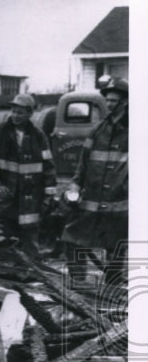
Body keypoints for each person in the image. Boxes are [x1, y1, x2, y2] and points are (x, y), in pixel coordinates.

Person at [59, 77, 128, 282]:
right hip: (92, 204)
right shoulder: (97, 131)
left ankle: (112, 290)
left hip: (119, 206)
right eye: (107, 101)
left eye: (114, 101)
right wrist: (74, 187)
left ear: (125, 102)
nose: (109, 105)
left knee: (115, 249)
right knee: (71, 238)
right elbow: (83, 165)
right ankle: (79, 285)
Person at [0, 93, 57, 255]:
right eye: (13, 111)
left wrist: (49, 195)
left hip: (29, 196)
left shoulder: (39, 136)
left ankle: (30, 262)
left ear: (30, 114)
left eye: (20, 113)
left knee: (30, 231)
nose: (15, 116)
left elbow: (48, 167)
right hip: (5, 192)